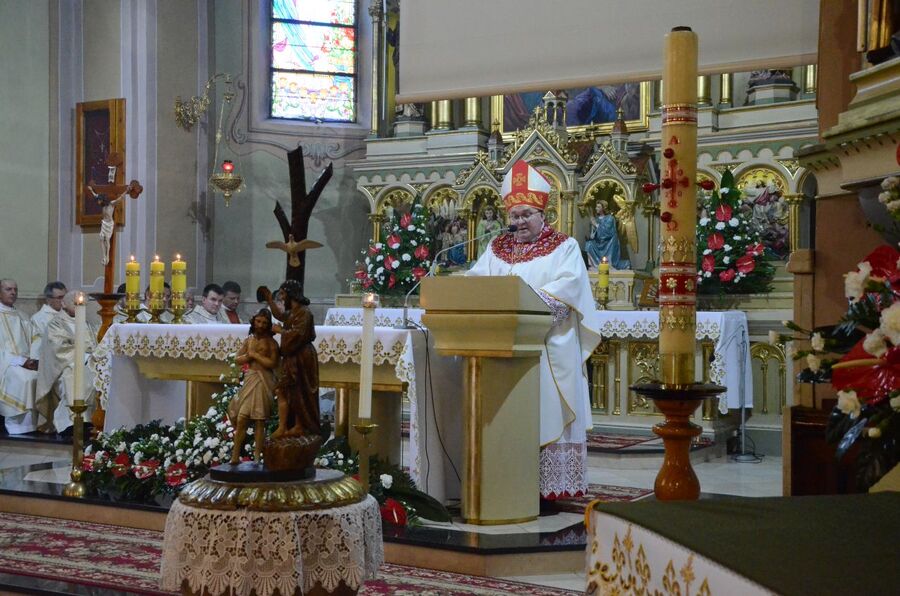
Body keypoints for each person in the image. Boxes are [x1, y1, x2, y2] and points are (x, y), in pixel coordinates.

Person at [468, 160, 601, 501]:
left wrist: (524, 305)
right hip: (502, 348)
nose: (518, 222)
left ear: (544, 213)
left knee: (547, 412)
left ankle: (548, 491)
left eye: (526, 214)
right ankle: (509, 481)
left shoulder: (564, 246)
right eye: (514, 216)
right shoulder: (496, 248)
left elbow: (569, 288)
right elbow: (475, 282)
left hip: (548, 346)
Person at [260, 280, 319, 439]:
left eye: (283, 294)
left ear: (291, 294)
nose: (282, 297)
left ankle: (300, 426)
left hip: (302, 356)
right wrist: (270, 301)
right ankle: (284, 426)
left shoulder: (304, 312)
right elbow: (279, 315)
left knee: (299, 391)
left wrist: (281, 331)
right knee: (286, 390)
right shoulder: (293, 311)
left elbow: (298, 334)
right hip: (293, 356)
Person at [35, 291, 98, 433]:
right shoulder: (56, 324)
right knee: (71, 374)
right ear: (63, 304)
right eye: (75, 304)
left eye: (82, 305)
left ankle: (89, 419)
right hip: (63, 367)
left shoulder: (88, 324)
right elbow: (58, 349)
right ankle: (70, 423)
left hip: (89, 364)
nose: (79, 307)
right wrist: (85, 357)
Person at [229, 309, 279, 464]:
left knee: (259, 420)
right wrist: (249, 355)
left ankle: (257, 456)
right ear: (253, 321)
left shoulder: (271, 343)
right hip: (250, 379)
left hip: (263, 380)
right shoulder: (249, 340)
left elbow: (272, 363)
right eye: (258, 321)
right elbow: (237, 359)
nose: (261, 325)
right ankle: (235, 455)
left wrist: (255, 355)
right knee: (242, 418)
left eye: (264, 322)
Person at [0, 279, 40, 434]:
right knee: (25, 379)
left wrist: (33, 359)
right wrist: (20, 361)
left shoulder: (23, 316)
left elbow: (35, 339)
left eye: (15, 289)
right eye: (8, 289)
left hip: (26, 362)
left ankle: (34, 424)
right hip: (7, 364)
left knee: (40, 377)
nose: (13, 293)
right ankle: (17, 425)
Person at [584, 201, 631, 270]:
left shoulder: (610, 218)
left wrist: (596, 224)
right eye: (596, 207)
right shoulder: (596, 219)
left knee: (611, 242)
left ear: (603, 208)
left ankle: (612, 264)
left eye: (598, 207)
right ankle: (593, 266)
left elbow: (607, 233)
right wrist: (592, 228)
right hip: (598, 243)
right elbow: (592, 236)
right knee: (589, 244)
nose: (596, 208)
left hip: (609, 243)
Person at [30, 281, 67, 358]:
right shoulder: (38, 319)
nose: (64, 300)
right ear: (49, 300)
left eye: (65, 296)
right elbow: (38, 345)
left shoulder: (70, 314)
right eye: (60, 297)